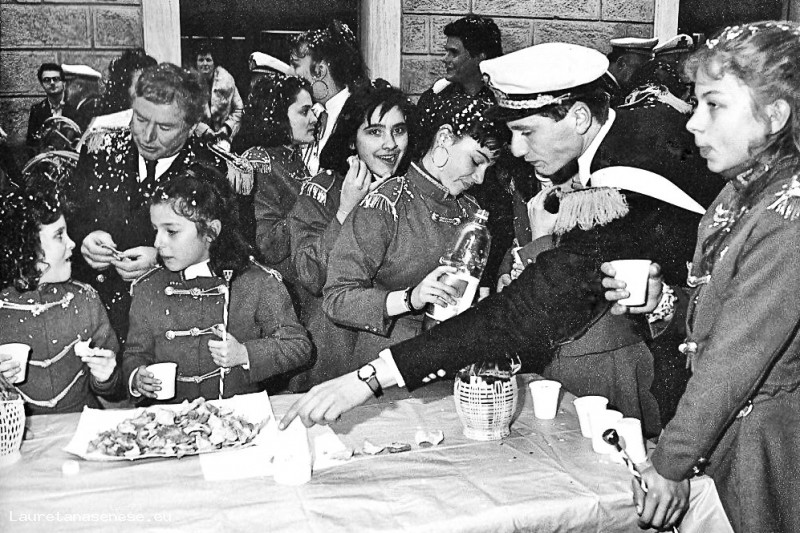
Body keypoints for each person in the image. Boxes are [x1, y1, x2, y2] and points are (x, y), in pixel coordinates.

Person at [279, 43, 706, 437]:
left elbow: (533, 304)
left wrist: (374, 377)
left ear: (578, 117)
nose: (517, 150)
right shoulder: (626, 141)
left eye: (527, 131)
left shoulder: (623, 175)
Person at [601, 21, 800, 533]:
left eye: (714, 105)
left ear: (775, 116)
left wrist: (671, 462)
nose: (693, 122)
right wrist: (664, 304)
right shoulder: (742, 189)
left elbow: (735, 356)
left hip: (765, 452)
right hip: (730, 435)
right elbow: (721, 313)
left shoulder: (789, 216)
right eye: (696, 103)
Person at [321, 92, 505, 378]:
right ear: (444, 138)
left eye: (488, 168)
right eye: (475, 161)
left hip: (452, 368)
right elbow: (337, 298)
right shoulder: (385, 204)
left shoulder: (472, 211)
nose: (480, 178)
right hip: (386, 372)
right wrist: (409, 299)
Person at [64, 63, 234, 348]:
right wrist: (84, 240)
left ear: (191, 126)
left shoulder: (211, 171)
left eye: (165, 127)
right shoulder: (100, 150)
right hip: (96, 320)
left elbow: (230, 251)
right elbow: (69, 218)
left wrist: (160, 258)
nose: (147, 136)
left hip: (170, 324)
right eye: (140, 119)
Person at [123, 165, 311, 402]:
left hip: (237, 416)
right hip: (171, 418)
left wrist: (245, 354)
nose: (157, 243)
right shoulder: (149, 288)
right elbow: (135, 353)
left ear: (211, 232)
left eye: (171, 231)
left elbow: (298, 346)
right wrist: (136, 376)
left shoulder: (255, 282)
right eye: (155, 230)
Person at [287, 81, 416, 390]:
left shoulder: (413, 192)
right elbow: (310, 276)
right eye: (375, 132)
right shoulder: (323, 190)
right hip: (335, 350)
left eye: (398, 130)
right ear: (351, 140)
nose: (390, 144)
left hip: (394, 351)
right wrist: (345, 211)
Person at [0, 182, 123, 414]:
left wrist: (106, 376)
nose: (72, 243)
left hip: (83, 426)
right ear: (28, 248)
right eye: (59, 236)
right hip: (17, 433)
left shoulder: (85, 299)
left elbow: (114, 389)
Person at [416, 14, 518, 291]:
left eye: (454, 52)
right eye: (446, 51)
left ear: (479, 56)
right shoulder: (435, 100)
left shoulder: (507, 103)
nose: (446, 59)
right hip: (437, 211)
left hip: (491, 217)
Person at [233, 75, 317, 283]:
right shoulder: (259, 163)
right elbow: (267, 246)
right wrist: (313, 208)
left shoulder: (291, 156)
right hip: (279, 284)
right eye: (304, 111)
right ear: (278, 115)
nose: (314, 119)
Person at [290, 20, 368, 175]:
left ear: (320, 70)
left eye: (296, 65)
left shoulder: (360, 115)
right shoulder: (312, 112)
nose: (292, 74)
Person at [194, 43, 245, 147]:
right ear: (196, 63)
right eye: (201, 60)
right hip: (196, 138)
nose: (205, 63)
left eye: (208, 60)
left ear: (214, 63)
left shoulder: (227, 81)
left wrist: (227, 128)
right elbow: (184, 114)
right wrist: (203, 130)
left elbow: (239, 109)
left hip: (223, 137)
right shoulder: (189, 84)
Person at [26, 63, 79, 148]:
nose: (52, 83)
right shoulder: (37, 110)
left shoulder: (76, 107)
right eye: (47, 80)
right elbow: (31, 144)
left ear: (63, 82)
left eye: (56, 79)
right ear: (42, 84)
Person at [605, 36, 658, 107]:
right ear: (621, 63)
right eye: (639, 70)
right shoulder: (600, 88)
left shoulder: (615, 88)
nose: (643, 77)